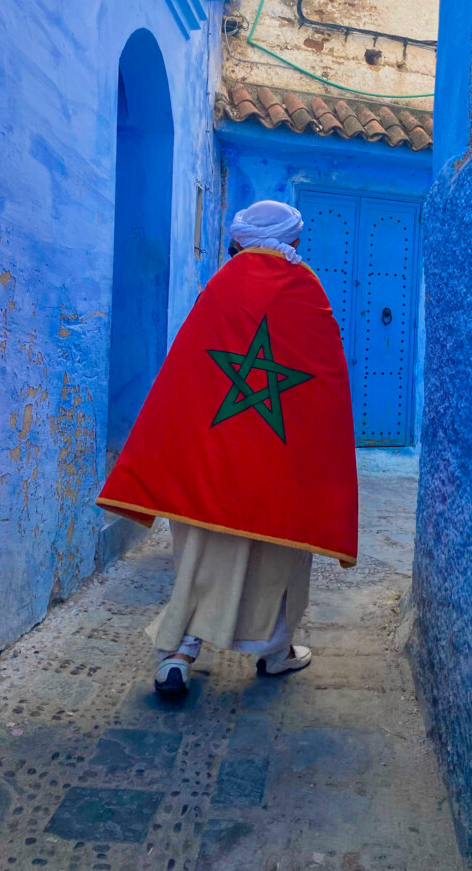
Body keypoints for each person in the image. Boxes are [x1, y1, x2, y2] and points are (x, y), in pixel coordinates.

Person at [98, 200, 358, 695]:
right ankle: (276, 652)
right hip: (278, 463)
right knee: (278, 549)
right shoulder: (306, 290)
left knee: (201, 548)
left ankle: (179, 654)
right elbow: (323, 382)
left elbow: (187, 373)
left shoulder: (220, 287)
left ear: (238, 241)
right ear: (293, 239)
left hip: (210, 457)